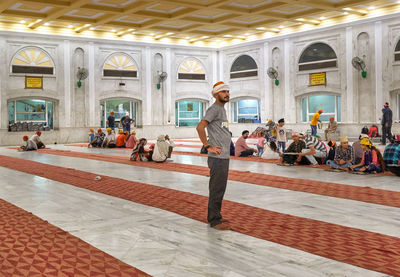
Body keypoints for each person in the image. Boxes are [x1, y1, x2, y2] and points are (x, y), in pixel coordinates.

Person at [196, 81, 231, 230]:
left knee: (220, 187)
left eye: (228, 92)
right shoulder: (214, 109)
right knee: (216, 188)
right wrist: (207, 146)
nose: (227, 94)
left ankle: (217, 215)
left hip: (223, 157)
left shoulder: (222, 110)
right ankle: (214, 220)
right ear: (216, 94)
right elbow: (200, 127)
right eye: (223, 92)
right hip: (217, 158)